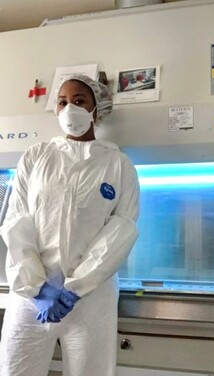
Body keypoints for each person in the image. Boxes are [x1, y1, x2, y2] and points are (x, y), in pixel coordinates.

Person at [0, 74, 140, 376]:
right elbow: (16, 221)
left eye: (79, 101)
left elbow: (121, 230)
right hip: (32, 298)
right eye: (62, 102)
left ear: (95, 110)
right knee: (16, 370)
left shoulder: (118, 165)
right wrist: (37, 288)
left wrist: (75, 289)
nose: (69, 109)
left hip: (92, 299)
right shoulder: (36, 156)